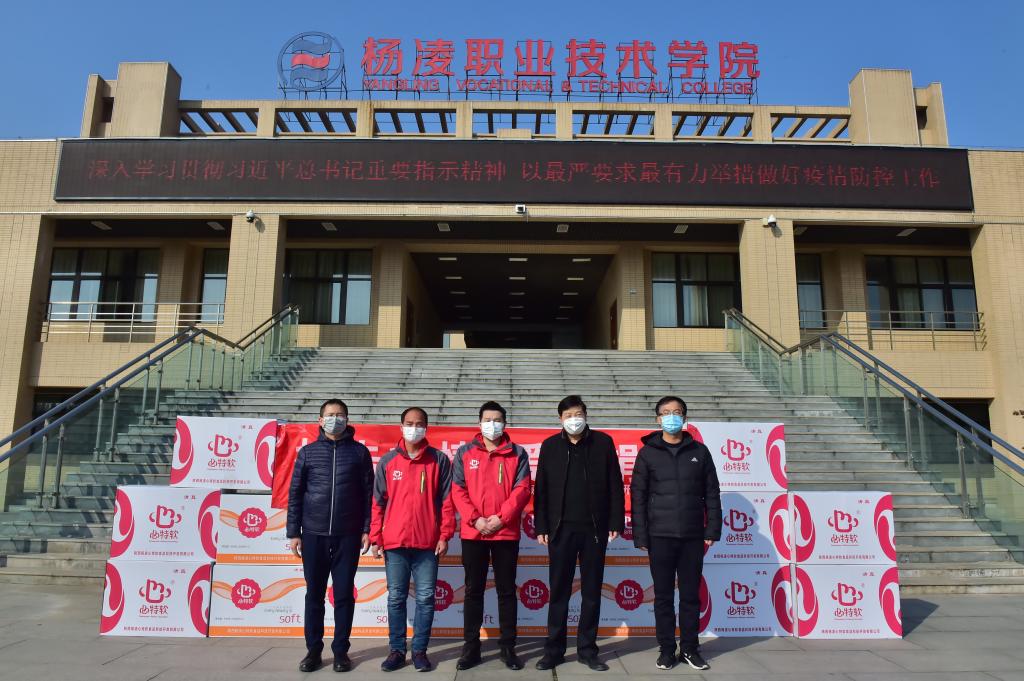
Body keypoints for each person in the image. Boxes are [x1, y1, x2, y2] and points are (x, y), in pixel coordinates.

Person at [533, 395, 625, 672]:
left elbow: (615, 484)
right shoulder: (550, 446)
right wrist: (541, 526)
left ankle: (587, 650)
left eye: (578, 414)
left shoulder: (603, 443)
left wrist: (616, 521)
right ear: (560, 419)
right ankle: (554, 650)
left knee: (592, 593)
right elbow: (541, 489)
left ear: (586, 415)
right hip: (560, 530)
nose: (574, 420)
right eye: (568, 415)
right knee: (559, 592)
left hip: (594, 530)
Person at [630, 396, 721, 672]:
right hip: (660, 535)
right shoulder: (647, 453)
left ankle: (690, 649)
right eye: (666, 412)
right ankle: (667, 650)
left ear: (685, 418)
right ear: (658, 419)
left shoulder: (700, 452)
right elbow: (638, 496)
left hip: (692, 535)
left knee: (691, 596)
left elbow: (712, 493)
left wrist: (712, 528)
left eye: (677, 412)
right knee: (663, 597)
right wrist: (641, 535)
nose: (672, 417)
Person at [286, 399, 374, 673]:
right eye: (330, 415)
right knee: (314, 594)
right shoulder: (308, 453)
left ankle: (340, 651)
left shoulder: (359, 453)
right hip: (313, 533)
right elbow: (295, 494)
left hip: (348, 534)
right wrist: (294, 532)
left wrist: (366, 529)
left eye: (340, 415)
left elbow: (369, 495)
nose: (335, 419)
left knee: (344, 594)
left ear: (347, 419)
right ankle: (313, 651)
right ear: (320, 420)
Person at [370, 407, 455, 673]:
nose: (413, 428)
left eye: (419, 424)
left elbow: (448, 502)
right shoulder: (388, 461)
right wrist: (376, 537)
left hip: (427, 543)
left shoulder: (439, 460)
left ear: (426, 428)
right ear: (401, 426)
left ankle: (419, 651)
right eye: (409, 423)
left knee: (426, 599)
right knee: (396, 597)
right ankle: (396, 651)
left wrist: (445, 534)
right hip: (395, 543)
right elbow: (377, 503)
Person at [451, 401, 532, 671]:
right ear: (479, 422)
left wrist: (501, 518)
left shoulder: (518, 453)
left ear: (505, 424)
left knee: (506, 591)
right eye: (488, 419)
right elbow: (458, 490)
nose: (492, 424)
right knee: (473, 591)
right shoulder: (464, 452)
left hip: (505, 533)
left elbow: (522, 489)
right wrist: (476, 519)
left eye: (497, 420)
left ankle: (508, 647)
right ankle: (471, 648)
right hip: (473, 533)